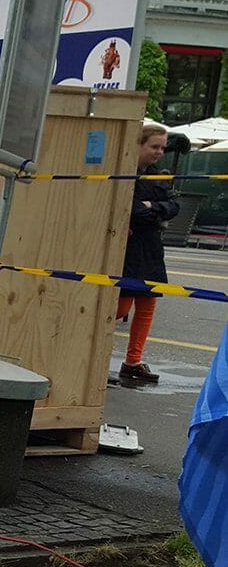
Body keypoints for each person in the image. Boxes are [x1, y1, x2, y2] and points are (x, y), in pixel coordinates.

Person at [115, 121, 181, 387]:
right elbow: (132, 210)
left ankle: (133, 361)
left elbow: (175, 206)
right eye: (154, 146)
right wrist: (156, 211)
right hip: (129, 249)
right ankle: (90, 351)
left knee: (147, 306)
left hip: (150, 247)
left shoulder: (157, 175)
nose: (159, 152)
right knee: (119, 306)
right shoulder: (127, 172)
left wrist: (152, 206)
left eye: (163, 148)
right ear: (139, 145)